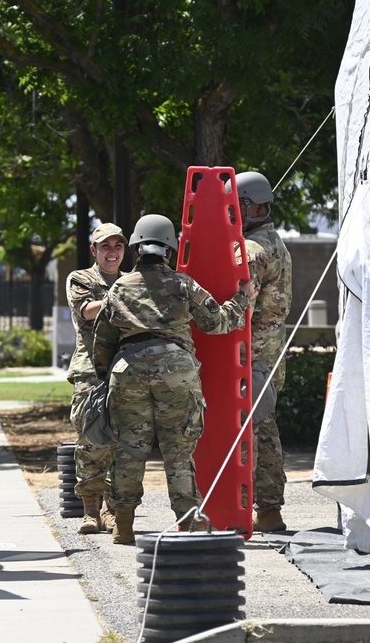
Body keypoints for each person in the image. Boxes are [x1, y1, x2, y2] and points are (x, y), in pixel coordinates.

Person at [93, 214, 256, 545]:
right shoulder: (184, 285)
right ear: (170, 249)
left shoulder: (119, 288)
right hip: (176, 372)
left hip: (129, 373)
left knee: (129, 452)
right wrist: (244, 297)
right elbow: (217, 322)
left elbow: (102, 342)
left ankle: (122, 525)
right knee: (178, 452)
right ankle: (189, 522)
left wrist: (109, 378)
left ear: (136, 247)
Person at [230, 171, 293, 533]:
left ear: (253, 205)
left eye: (236, 207)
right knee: (265, 428)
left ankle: (240, 508)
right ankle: (270, 510)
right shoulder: (275, 242)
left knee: (245, 430)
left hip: (247, 356)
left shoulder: (251, 250)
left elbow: (236, 301)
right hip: (269, 355)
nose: (231, 214)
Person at [65, 222, 127, 534]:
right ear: (94, 250)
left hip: (125, 370)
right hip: (90, 372)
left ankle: (111, 511)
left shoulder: (132, 281)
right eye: (106, 246)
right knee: (90, 440)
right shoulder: (81, 278)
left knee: (121, 444)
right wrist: (125, 299)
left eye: (118, 246)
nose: (112, 252)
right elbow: (87, 310)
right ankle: (90, 510)